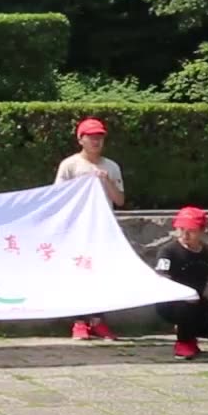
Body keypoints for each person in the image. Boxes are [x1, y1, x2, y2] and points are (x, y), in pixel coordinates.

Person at [57, 117, 126, 341]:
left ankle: (98, 320)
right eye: (91, 137)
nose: (96, 142)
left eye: (100, 138)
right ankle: (78, 322)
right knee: (77, 272)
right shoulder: (70, 165)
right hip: (77, 228)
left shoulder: (111, 166)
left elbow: (120, 200)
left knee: (101, 274)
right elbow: (58, 196)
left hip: (102, 228)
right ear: (81, 140)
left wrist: (106, 181)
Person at [154, 206, 208, 359]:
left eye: (191, 230)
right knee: (186, 306)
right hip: (172, 302)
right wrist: (182, 296)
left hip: (198, 302)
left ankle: (189, 332)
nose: (185, 234)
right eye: (181, 229)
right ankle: (184, 342)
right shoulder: (168, 251)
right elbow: (162, 279)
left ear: (201, 231)